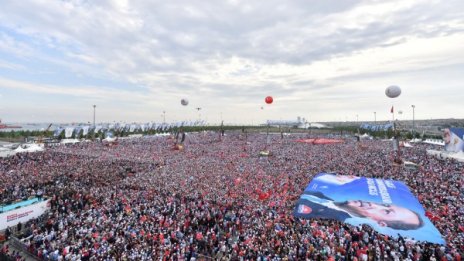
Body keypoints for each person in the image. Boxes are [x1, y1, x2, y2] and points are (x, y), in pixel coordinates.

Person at [294, 191, 424, 231]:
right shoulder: (322, 195)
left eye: (387, 212)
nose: (375, 204)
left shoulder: (333, 217)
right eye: (386, 205)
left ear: (382, 223)